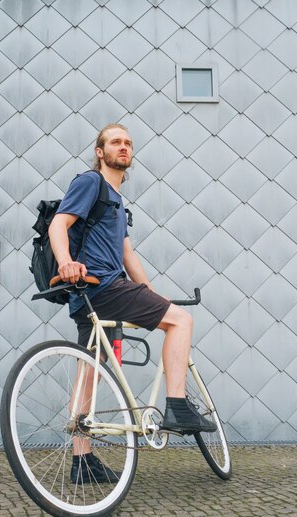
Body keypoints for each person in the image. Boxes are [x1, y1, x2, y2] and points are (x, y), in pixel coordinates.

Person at [49, 123, 216, 484]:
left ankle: (82, 461)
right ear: (100, 151)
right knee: (181, 322)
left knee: (89, 372)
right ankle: (176, 405)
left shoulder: (116, 199)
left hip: (89, 298)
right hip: (104, 286)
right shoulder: (90, 182)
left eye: (127, 143)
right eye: (115, 142)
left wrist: (151, 293)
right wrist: (65, 262)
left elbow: (127, 253)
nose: (123, 147)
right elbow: (59, 225)